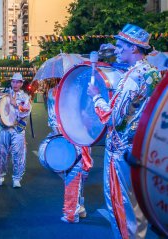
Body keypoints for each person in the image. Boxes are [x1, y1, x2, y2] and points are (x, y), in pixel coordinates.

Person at [87, 23, 161, 238]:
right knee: (137, 207)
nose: (116, 50)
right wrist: (112, 49)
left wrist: (96, 97)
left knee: (121, 205)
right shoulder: (151, 72)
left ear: (134, 49)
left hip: (120, 151)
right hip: (139, 148)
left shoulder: (132, 79)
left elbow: (111, 118)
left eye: (120, 46)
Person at [45, 82, 93, 223]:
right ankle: (80, 207)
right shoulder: (57, 92)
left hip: (76, 139)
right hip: (77, 138)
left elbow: (53, 120)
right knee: (78, 175)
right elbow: (54, 120)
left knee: (74, 176)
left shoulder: (57, 92)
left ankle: (72, 213)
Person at [0, 73, 32, 188]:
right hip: (4, 128)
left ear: (21, 83)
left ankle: (17, 178)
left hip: (17, 128)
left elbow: (26, 111)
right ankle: (0, 176)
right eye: (13, 81)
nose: (15, 84)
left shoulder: (24, 97)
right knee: (1, 153)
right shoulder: (4, 93)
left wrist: (16, 105)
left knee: (18, 153)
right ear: (11, 82)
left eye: (18, 82)